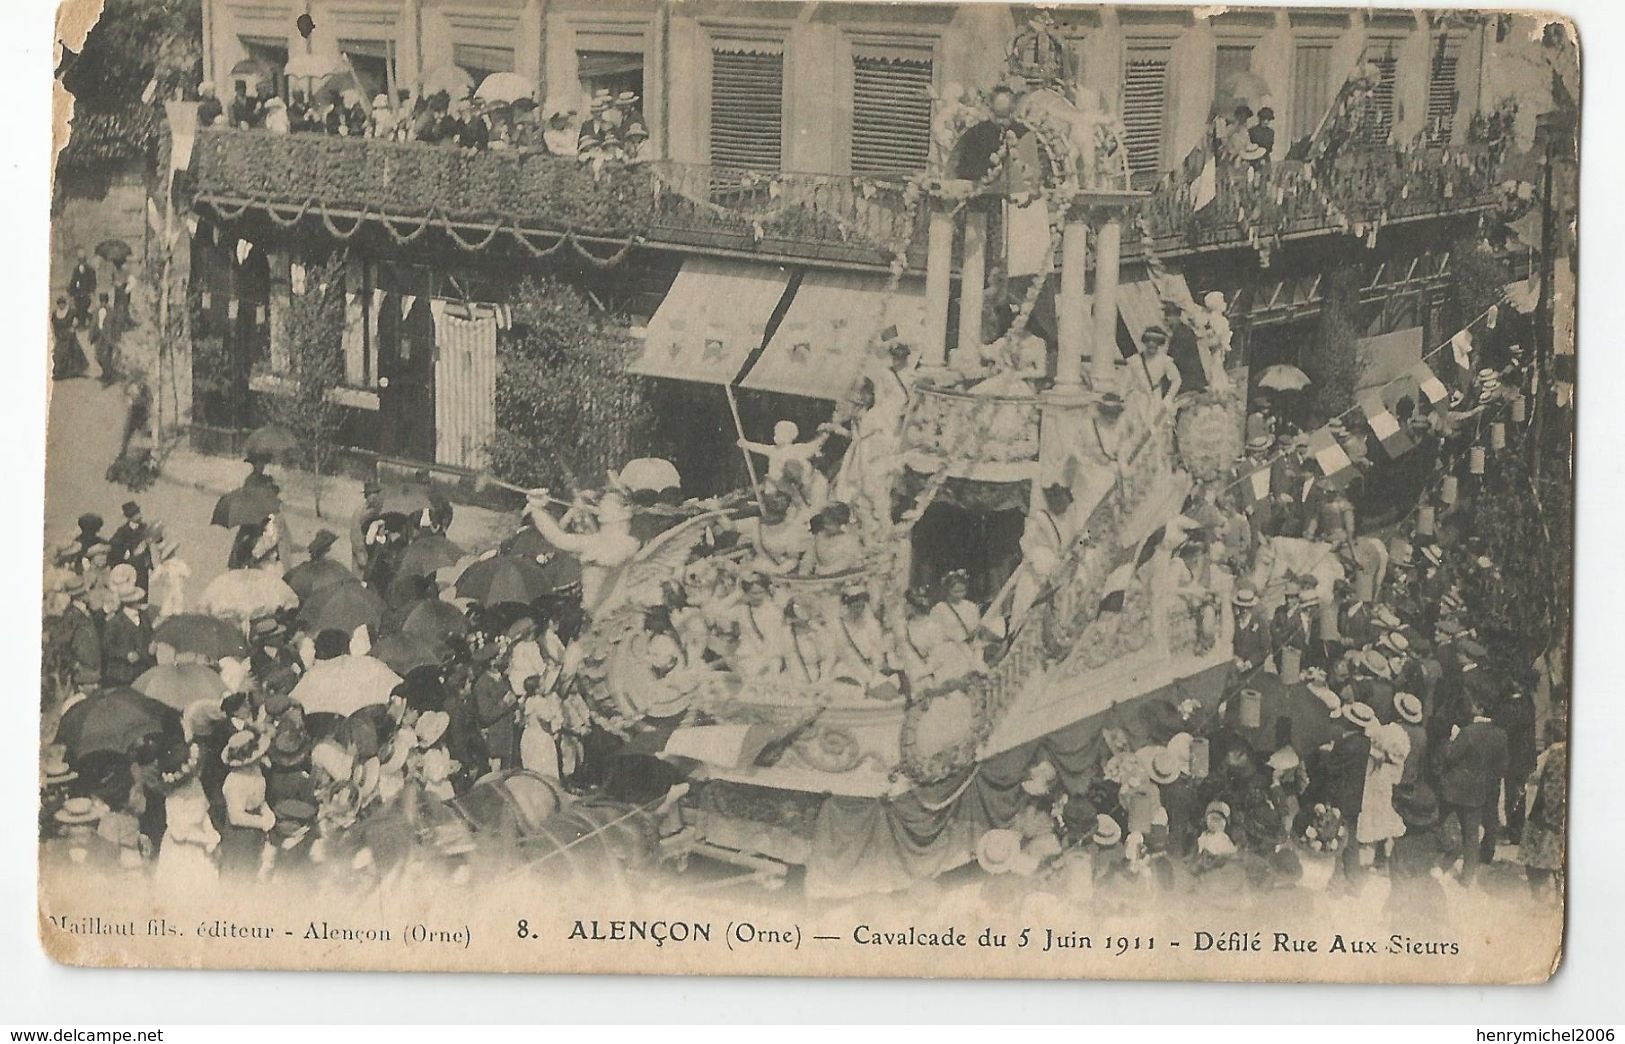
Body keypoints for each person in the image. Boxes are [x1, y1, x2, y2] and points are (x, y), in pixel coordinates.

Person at [523, 490, 642, 612]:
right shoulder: (600, 540)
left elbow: (561, 540)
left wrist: (537, 509)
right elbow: (560, 539)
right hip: (594, 613)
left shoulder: (624, 543)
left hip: (612, 615)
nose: (600, 505)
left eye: (605, 502)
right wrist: (537, 509)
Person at [1439, 699, 1509, 885]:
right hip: (1479, 790)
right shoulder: (1501, 735)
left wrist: (1450, 740)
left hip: (1456, 789)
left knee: (1442, 823)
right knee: (1471, 834)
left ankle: (1444, 861)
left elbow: (1450, 755)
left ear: (1480, 708)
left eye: (1474, 704)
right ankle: (1467, 876)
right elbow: (1502, 765)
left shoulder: (1467, 732)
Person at [1009, 482, 1076, 626]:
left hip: (1055, 570)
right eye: (1061, 500)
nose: (1063, 505)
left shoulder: (1067, 522)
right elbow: (1025, 542)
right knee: (1025, 605)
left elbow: (1077, 541)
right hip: (1035, 569)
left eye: (1066, 503)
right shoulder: (1041, 517)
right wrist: (1036, 562)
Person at [1520, 718, 1566, 899]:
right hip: (1560, 810)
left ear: (1550, 735)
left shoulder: (1550, 754)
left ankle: (1537, 894)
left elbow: (1536, 776)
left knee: (1534, 851)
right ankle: (1557, 892)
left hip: (1544, 808)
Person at [107, 500, 152, 592]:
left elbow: (149, 545)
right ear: (129, 517)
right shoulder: (122, 531)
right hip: (129, 567)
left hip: (143, 566)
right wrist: (130, 554)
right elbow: (114, 547)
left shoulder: (144, 527)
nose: (139, 515)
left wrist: (150, 564)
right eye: (135, 514)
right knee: (130, 591)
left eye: (138, 512)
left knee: (142, 590)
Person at [351, 479, 384, 575]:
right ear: (367, 496)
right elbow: (356, 537)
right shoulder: (360, 512)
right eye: (372, 495)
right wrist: (363, 558)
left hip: (372, 560)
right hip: (362, 559)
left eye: (377, 494)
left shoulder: (375, 511)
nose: (375, 498)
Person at [51, 296, 86, 379]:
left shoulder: (70, 312)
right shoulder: (55, 313)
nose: (61, 306)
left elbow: (76, 321)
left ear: (65, 304)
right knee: (59, 353)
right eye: (59, 304)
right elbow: (54, 325)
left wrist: (73, 328)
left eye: (62, 304)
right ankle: (59, 371)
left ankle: (70, 371)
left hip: (69, 335)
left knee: (70, 352)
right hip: (60, 335)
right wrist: (56, 334)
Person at [68, 252, 97, 326]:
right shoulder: (76, 269)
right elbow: (74, 281)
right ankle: (84, 321)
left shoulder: (90, 269)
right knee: (78, 307)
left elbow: (93, 281)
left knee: (84, 307)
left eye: (83, 260)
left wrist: (91, 291)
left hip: (86, 292)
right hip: (77, 292)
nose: (81, 261)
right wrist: (71, 291)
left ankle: (83, 323)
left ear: (85, 260)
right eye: (80, 260)